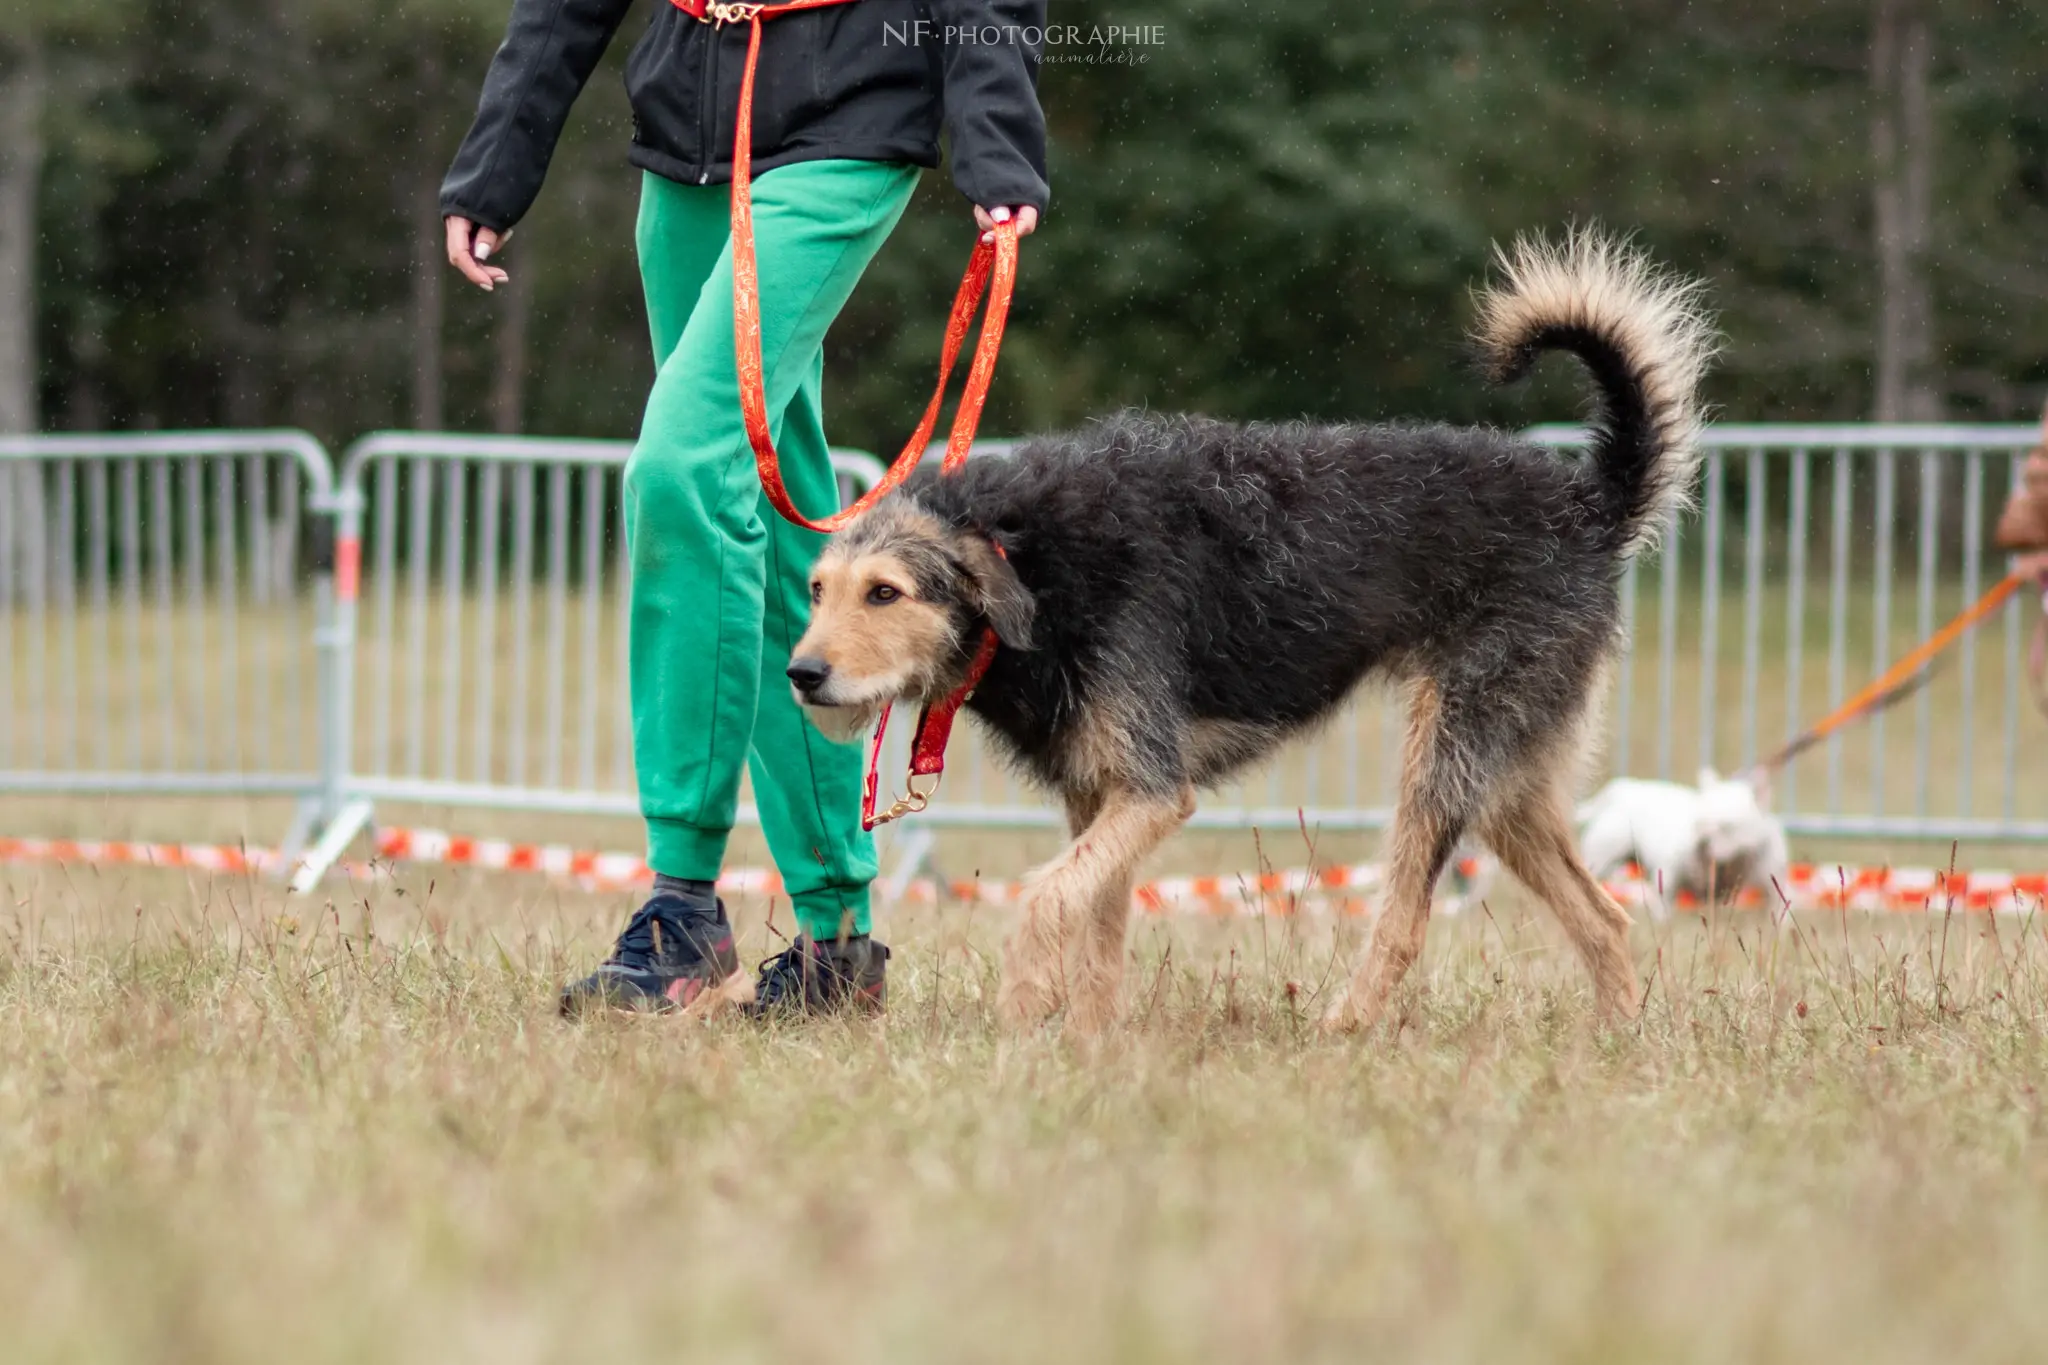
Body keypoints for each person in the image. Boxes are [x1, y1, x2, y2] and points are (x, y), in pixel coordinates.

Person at [440, 0, 1048, 1017]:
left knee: (677, 470)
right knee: (777, 529)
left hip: (847, 120)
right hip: (689, 131)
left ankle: (680, 909)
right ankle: (837, 941)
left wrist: (997, 143)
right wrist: (495, 166)